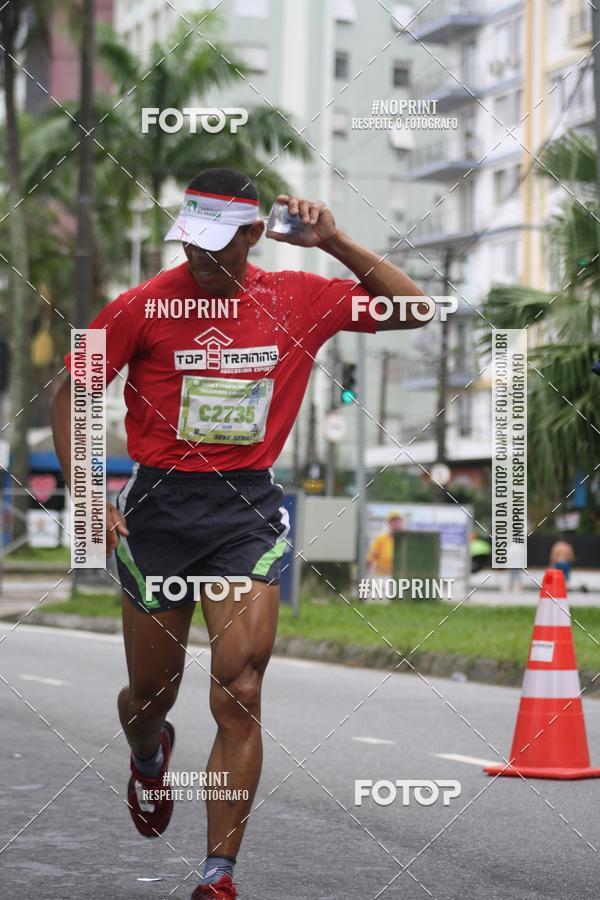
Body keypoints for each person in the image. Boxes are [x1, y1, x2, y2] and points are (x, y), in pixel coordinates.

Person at [50, 168, 431, 899]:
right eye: (191, 244)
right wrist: (86, 492)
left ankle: (218, 875)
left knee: (242, 688)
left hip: (244, 515)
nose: (201, 259)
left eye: (218, 246)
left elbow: (415, 313)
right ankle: (148, 751)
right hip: (158, 510)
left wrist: (337, 241)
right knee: (150, 693)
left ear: (255, 234)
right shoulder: (140, 306)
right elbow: (74, 387)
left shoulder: (297, 297)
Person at [366, 511, 405, 577]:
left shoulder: (405, 540)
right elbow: (370, 559)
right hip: (383, 577)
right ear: (389, 523)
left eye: (398, 521)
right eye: (393, 521)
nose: (395, 523)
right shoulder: (380, 539)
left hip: (401, 577)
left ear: (402, 523)